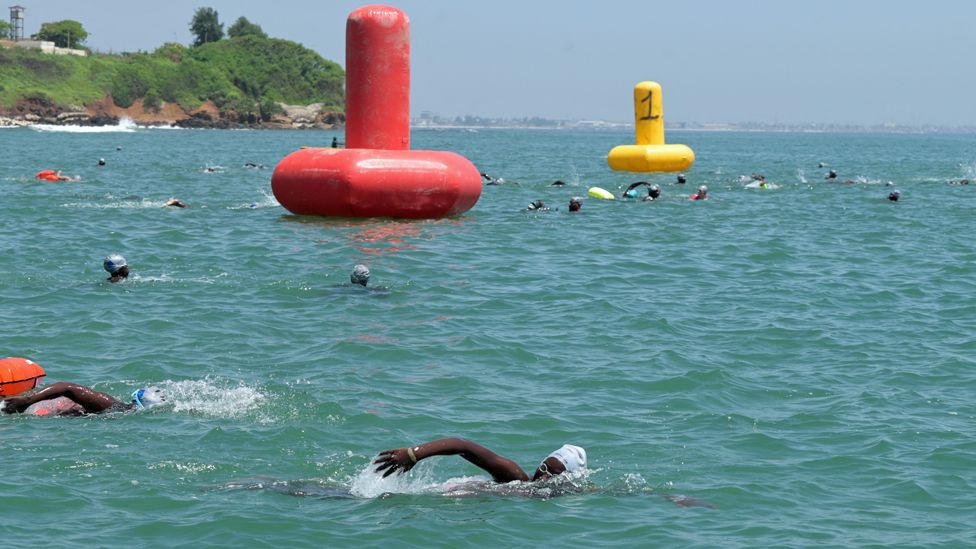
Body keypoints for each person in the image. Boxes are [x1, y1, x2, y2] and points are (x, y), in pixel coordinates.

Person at [373, 437, 587, 483]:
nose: (544, 475)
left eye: (553, 474)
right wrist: (413, 454)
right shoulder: (515, 477)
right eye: (544, 467)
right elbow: (462, 446)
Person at [1, 382, 164, 416]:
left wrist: (28, 401)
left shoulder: (111, 406)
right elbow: (67, 389)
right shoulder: (111, 407)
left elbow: (67, 388)